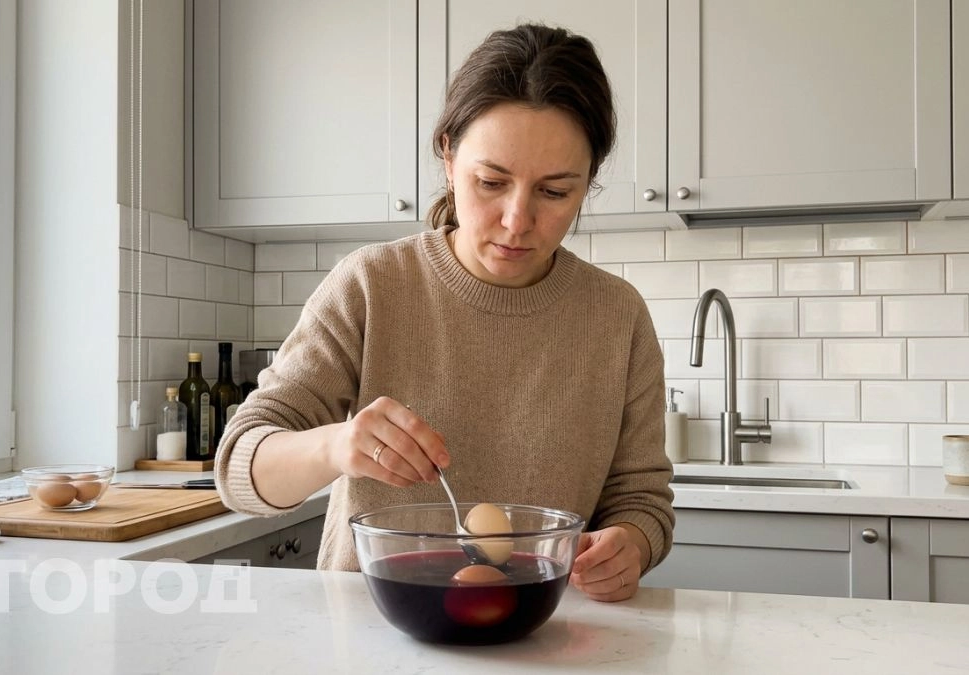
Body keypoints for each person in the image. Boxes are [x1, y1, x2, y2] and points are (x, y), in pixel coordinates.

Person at [216, 23, 673, 602]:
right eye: (491, 182)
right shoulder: (371, 285)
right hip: (372, 628)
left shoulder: (617, 316)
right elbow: (240, 469)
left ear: (589, 183)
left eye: (555, 192)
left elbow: (641, 498)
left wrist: (632, 543)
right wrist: (336, 445)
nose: (516, 220)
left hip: (548, 629)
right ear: (449, 156)